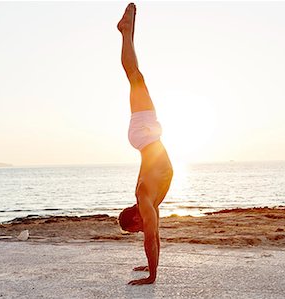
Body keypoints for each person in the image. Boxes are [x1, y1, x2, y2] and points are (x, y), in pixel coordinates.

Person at [117, 2, 173, 285]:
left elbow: (151, 236)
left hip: (146, 134)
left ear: (135, 219)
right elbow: (156, 237)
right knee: (136, 77)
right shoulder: (147, 200)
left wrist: (151, 276)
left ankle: (126, 31)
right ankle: (129, 30)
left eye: (134, 230)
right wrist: (151, 270)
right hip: (146, 136)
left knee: (135, 76)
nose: (140, 232)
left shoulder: (144, 199)